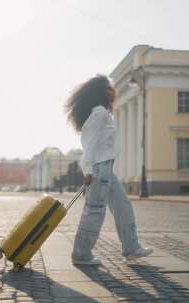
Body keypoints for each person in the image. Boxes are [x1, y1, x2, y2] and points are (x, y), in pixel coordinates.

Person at [65, 75, 153, 265]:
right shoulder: (99, 113)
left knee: (123, 206)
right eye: (109, 88)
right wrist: (87, 170)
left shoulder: (104, 113)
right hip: (98, 169)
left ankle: (131, 248)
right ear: (102, 92)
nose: (113, 91)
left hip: (107, 169)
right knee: (95, 211)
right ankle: (81, 254)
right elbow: (89, 143)